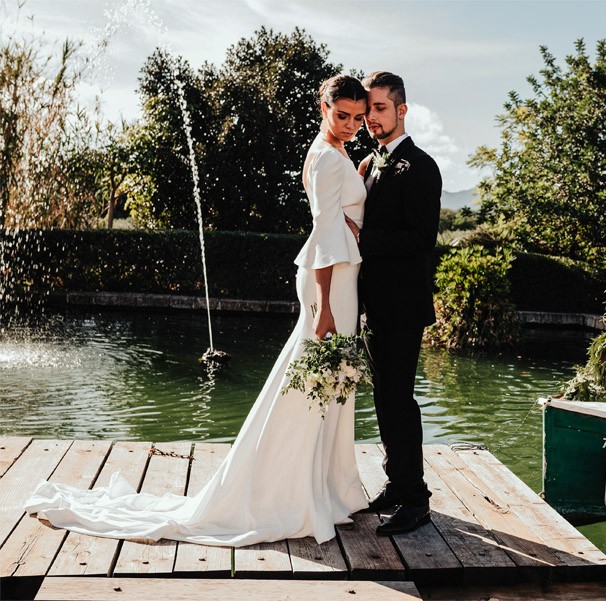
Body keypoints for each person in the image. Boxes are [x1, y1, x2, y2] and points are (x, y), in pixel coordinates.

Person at [24, 75, 371, 546]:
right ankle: (292, 491)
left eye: (357, 116)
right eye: (342, 115)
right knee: (313, 379)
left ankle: (324, 485)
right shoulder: (330, 158)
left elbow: (336, 212)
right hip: (331, 283)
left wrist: (361, 174)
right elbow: (324, 237)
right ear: (323, 108)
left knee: (322, 381)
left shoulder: (335, 151)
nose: (351, 124)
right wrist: (325, 307)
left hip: (338, 278)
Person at [344, 71, 441, 536]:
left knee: (400, 399)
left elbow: (422, 238)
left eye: (380, 109)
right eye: (368, 112)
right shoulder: (367, 163)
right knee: (384, 398)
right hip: (374, 306)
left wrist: (365, 239)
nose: (371, 120)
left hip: (403, 306)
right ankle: (396, 485)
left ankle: (417, 500)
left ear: (401, 110)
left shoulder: (421, 166)